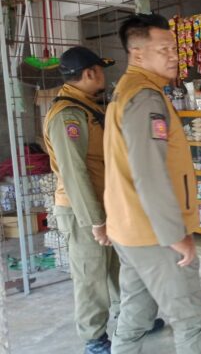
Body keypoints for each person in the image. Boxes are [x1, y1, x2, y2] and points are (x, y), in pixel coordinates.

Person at [104, 13, 201, 353]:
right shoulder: (146, 98)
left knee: (135, 316)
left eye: (174, 48)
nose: (174, 56)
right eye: (163, 49)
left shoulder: (126, 90)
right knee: (190, 320)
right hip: (153, 234)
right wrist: (175, 235)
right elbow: (149, 171)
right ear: (137, 54)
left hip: (129, 228)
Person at [44, 46, 120, 354]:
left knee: (114, 267)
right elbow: (74, 173)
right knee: (91, 276)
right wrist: (96, 221)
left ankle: (127, 316)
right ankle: (94, 338)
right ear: (90, 73)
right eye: (101, 70)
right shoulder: (68, 116)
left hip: (102, 203)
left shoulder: (86, 106)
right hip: (81, 210)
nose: (104, 75)